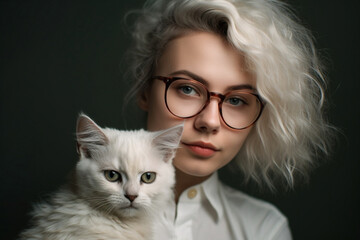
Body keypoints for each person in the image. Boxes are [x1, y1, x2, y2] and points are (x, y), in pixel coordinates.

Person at [126, 0, 333, 239]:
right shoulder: (77, 212)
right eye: (188, 89)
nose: (210, 121)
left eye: (237, 100)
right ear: (145, 90)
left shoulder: (264, 229)